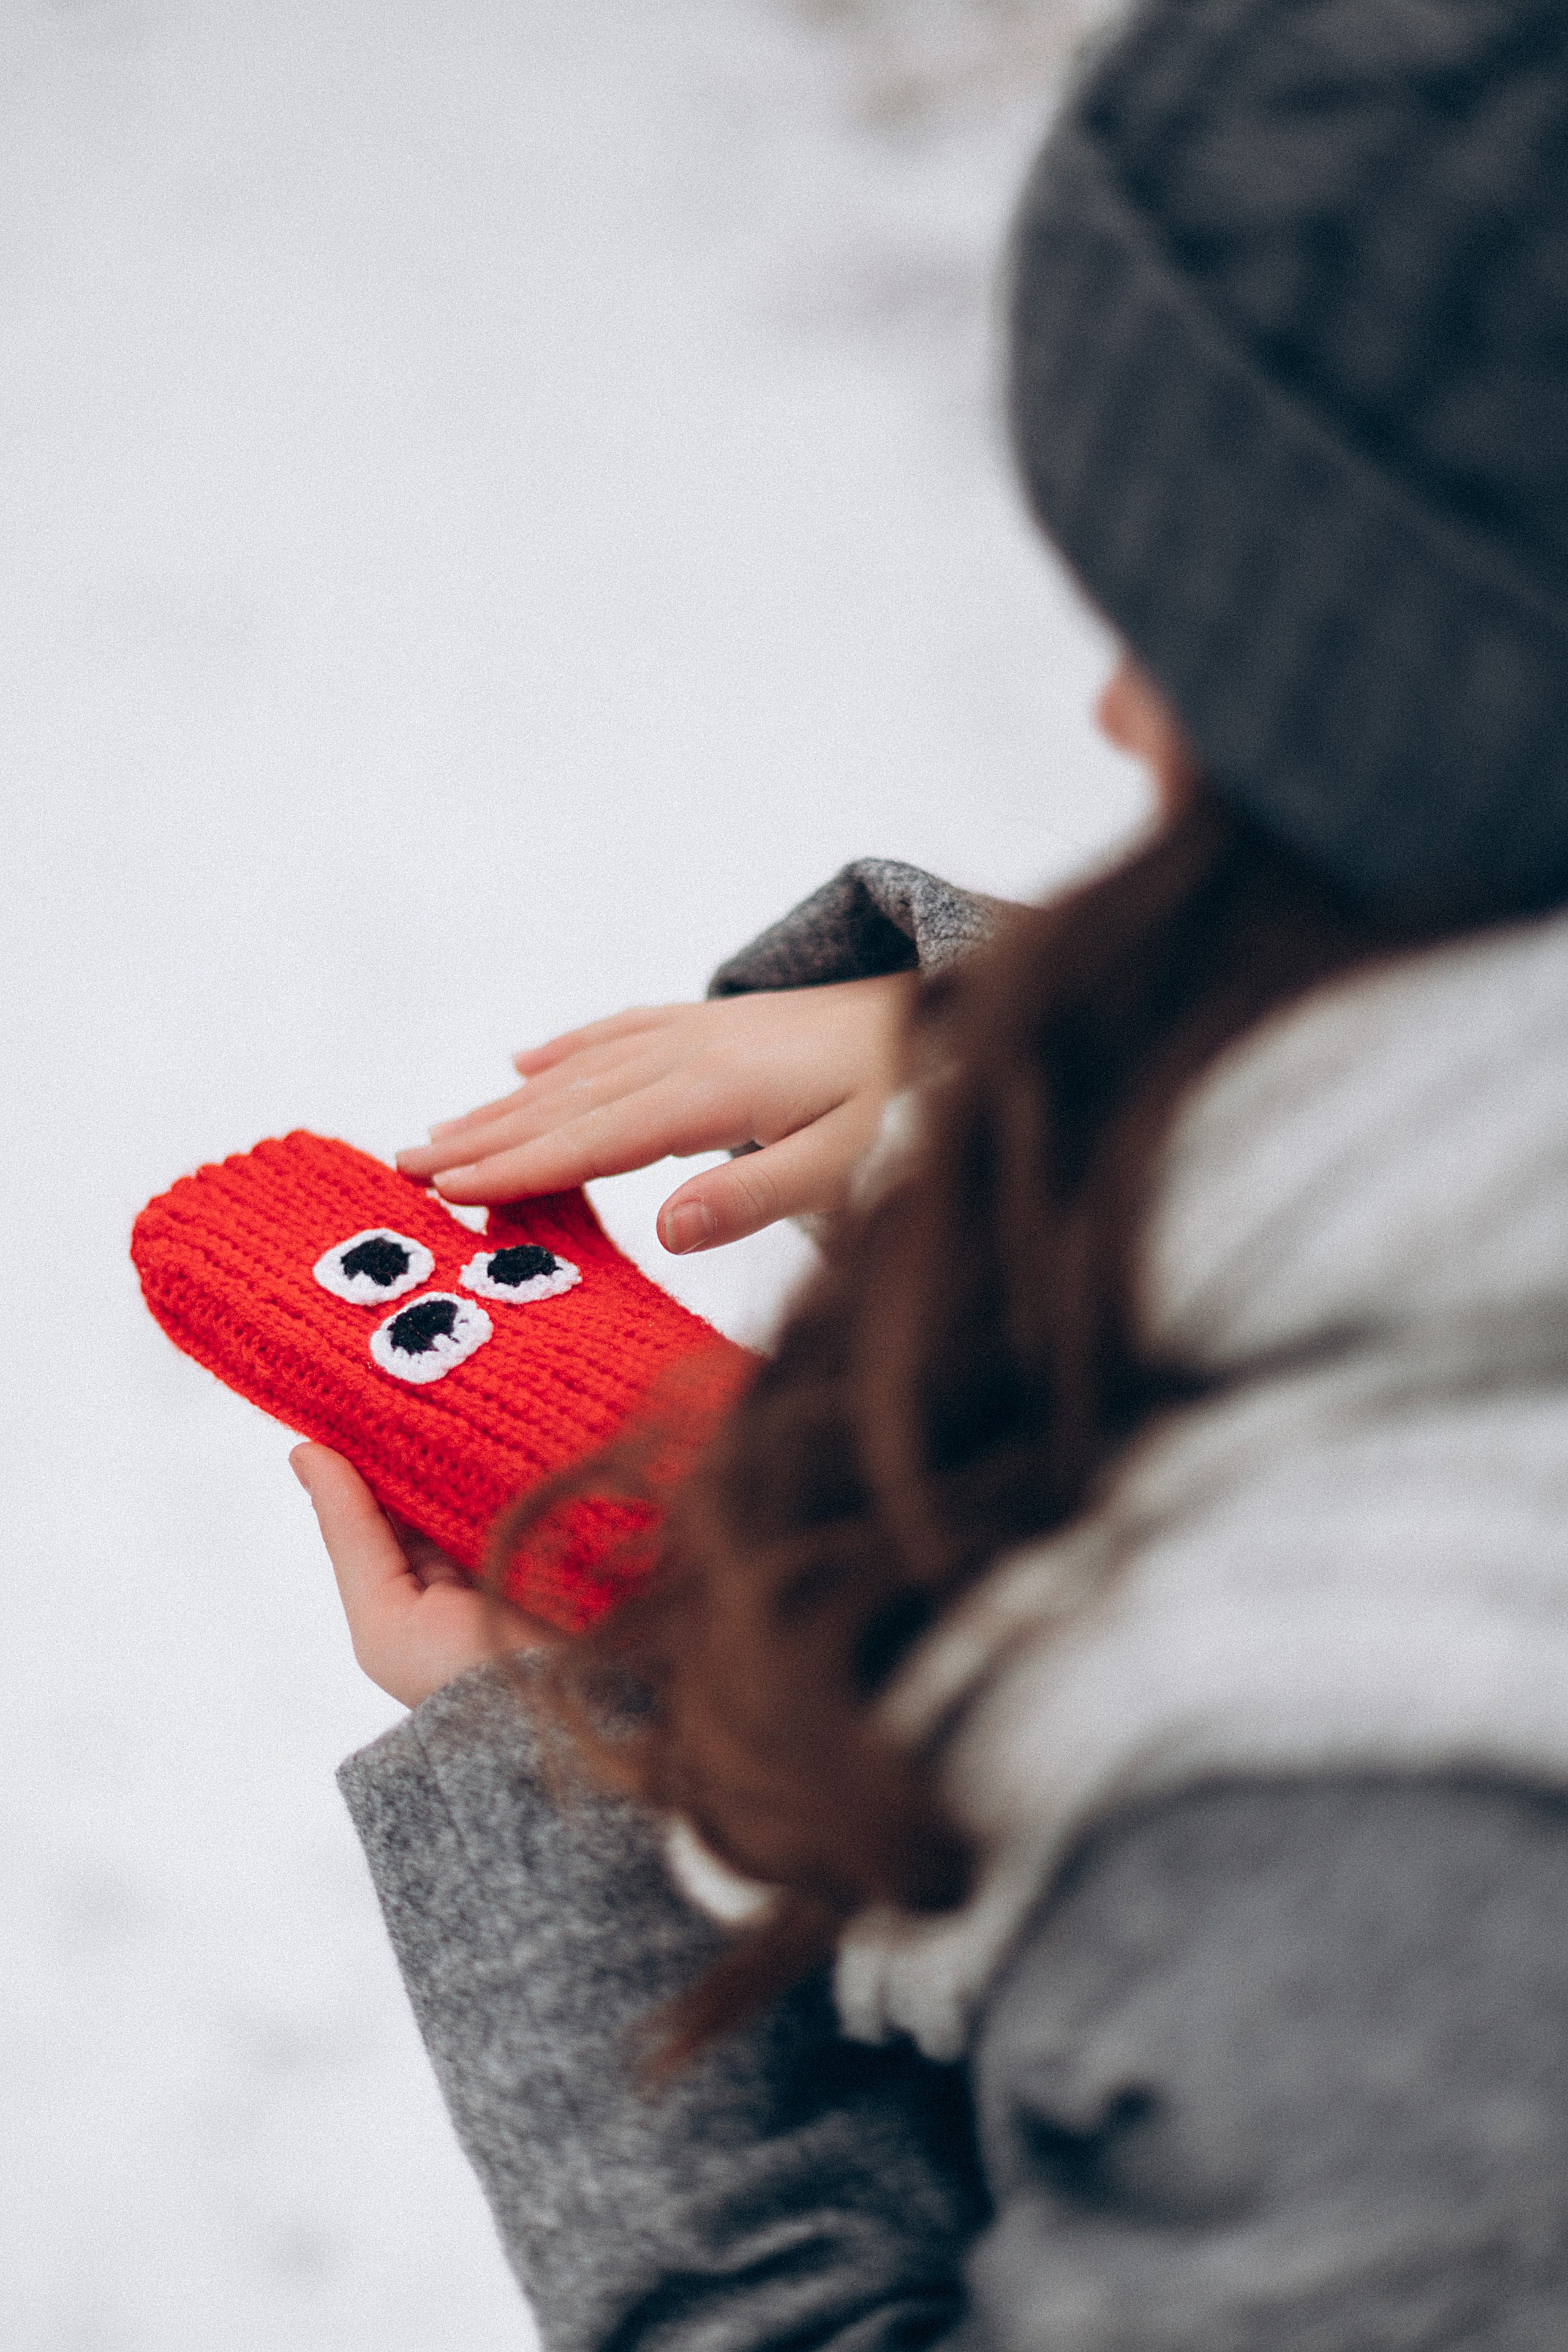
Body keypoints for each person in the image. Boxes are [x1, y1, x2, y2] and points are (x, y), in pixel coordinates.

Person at [292, 1, 1568, 2342]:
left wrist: (573, 1830)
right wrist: (1053, 1073)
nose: (1113, 713)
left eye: (1215, 662)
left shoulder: (1394, 1851)